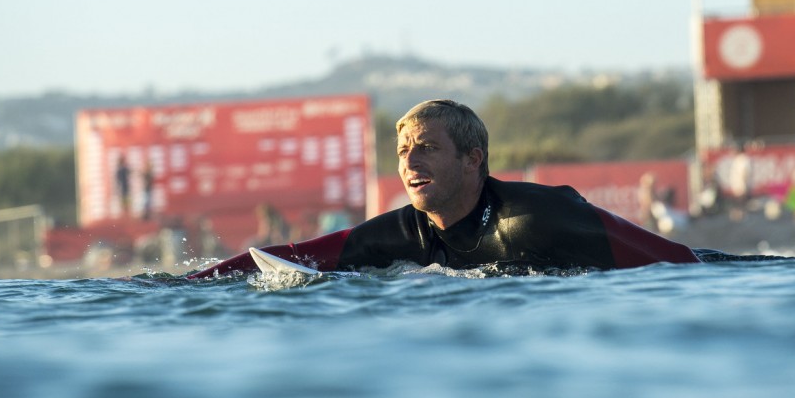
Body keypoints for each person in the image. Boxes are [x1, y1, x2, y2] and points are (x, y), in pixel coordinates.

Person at [190, 99, 701, 278]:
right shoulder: (403, 234)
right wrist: (169, 287)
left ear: (472, 159)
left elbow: (677, 265)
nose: (409, 163)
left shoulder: (535, 215)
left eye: (427, 148)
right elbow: (290, 259)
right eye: (402, 152)